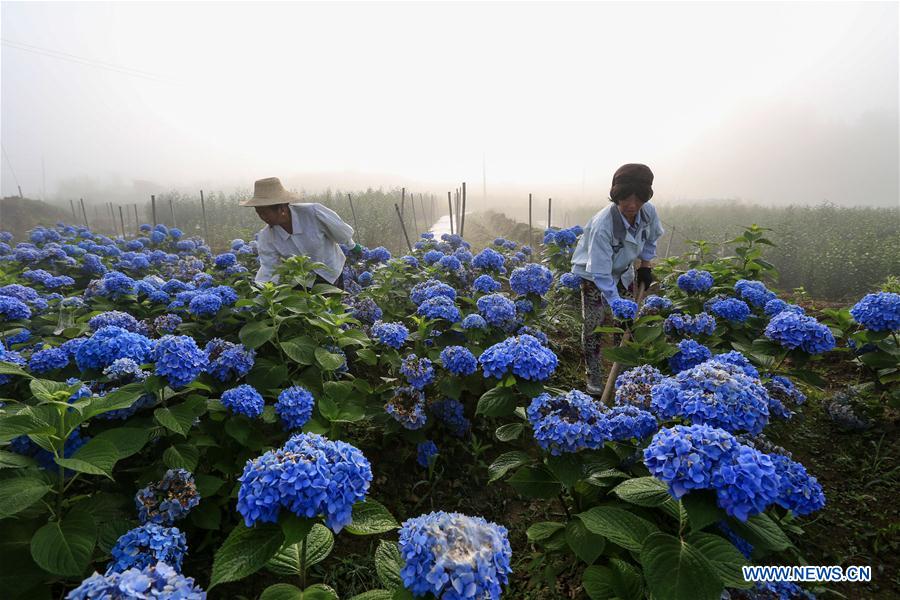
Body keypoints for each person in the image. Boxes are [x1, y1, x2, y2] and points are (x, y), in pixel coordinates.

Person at [570, 163, 664, 395]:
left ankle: (624, 377)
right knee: (595, 324)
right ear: (616, 195)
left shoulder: (648, 212)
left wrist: (645, 265)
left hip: (623, 271)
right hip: (593, 274)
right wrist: (614, 302)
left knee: (626, 323)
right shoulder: (604, 224)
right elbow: (601, 272)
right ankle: (594, 376)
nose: (632, 205)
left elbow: (651, 238)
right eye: (625, 198)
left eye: (638, 198)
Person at [240, 177, 358, 287]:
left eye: (264, 213)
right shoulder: (267, 236)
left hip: (331, 271)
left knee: (332, 307)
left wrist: (352, 246)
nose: (262, 217)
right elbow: (268, 267)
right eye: (258, 213)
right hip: (303, 281)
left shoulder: (313, 213)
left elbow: (341, 232)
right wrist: (261, 288)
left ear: (281, 208)